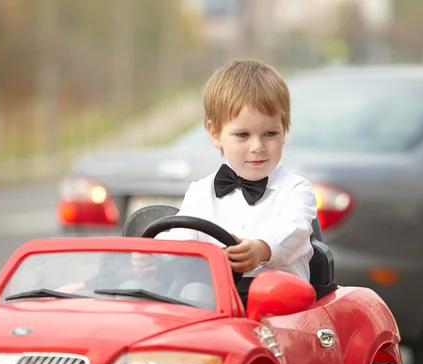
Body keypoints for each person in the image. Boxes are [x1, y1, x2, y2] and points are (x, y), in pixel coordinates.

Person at [132, 59, 318, 304]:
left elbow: (293, 231)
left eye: (270, 134)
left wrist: (262, 248)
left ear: (285, 131)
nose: (257, 147)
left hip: (282, 312)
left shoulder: (297, 191)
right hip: (214, 309)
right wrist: (154, 256)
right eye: (243, 135)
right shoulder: (200, 193)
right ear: (215, 134)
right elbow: (182, 242)